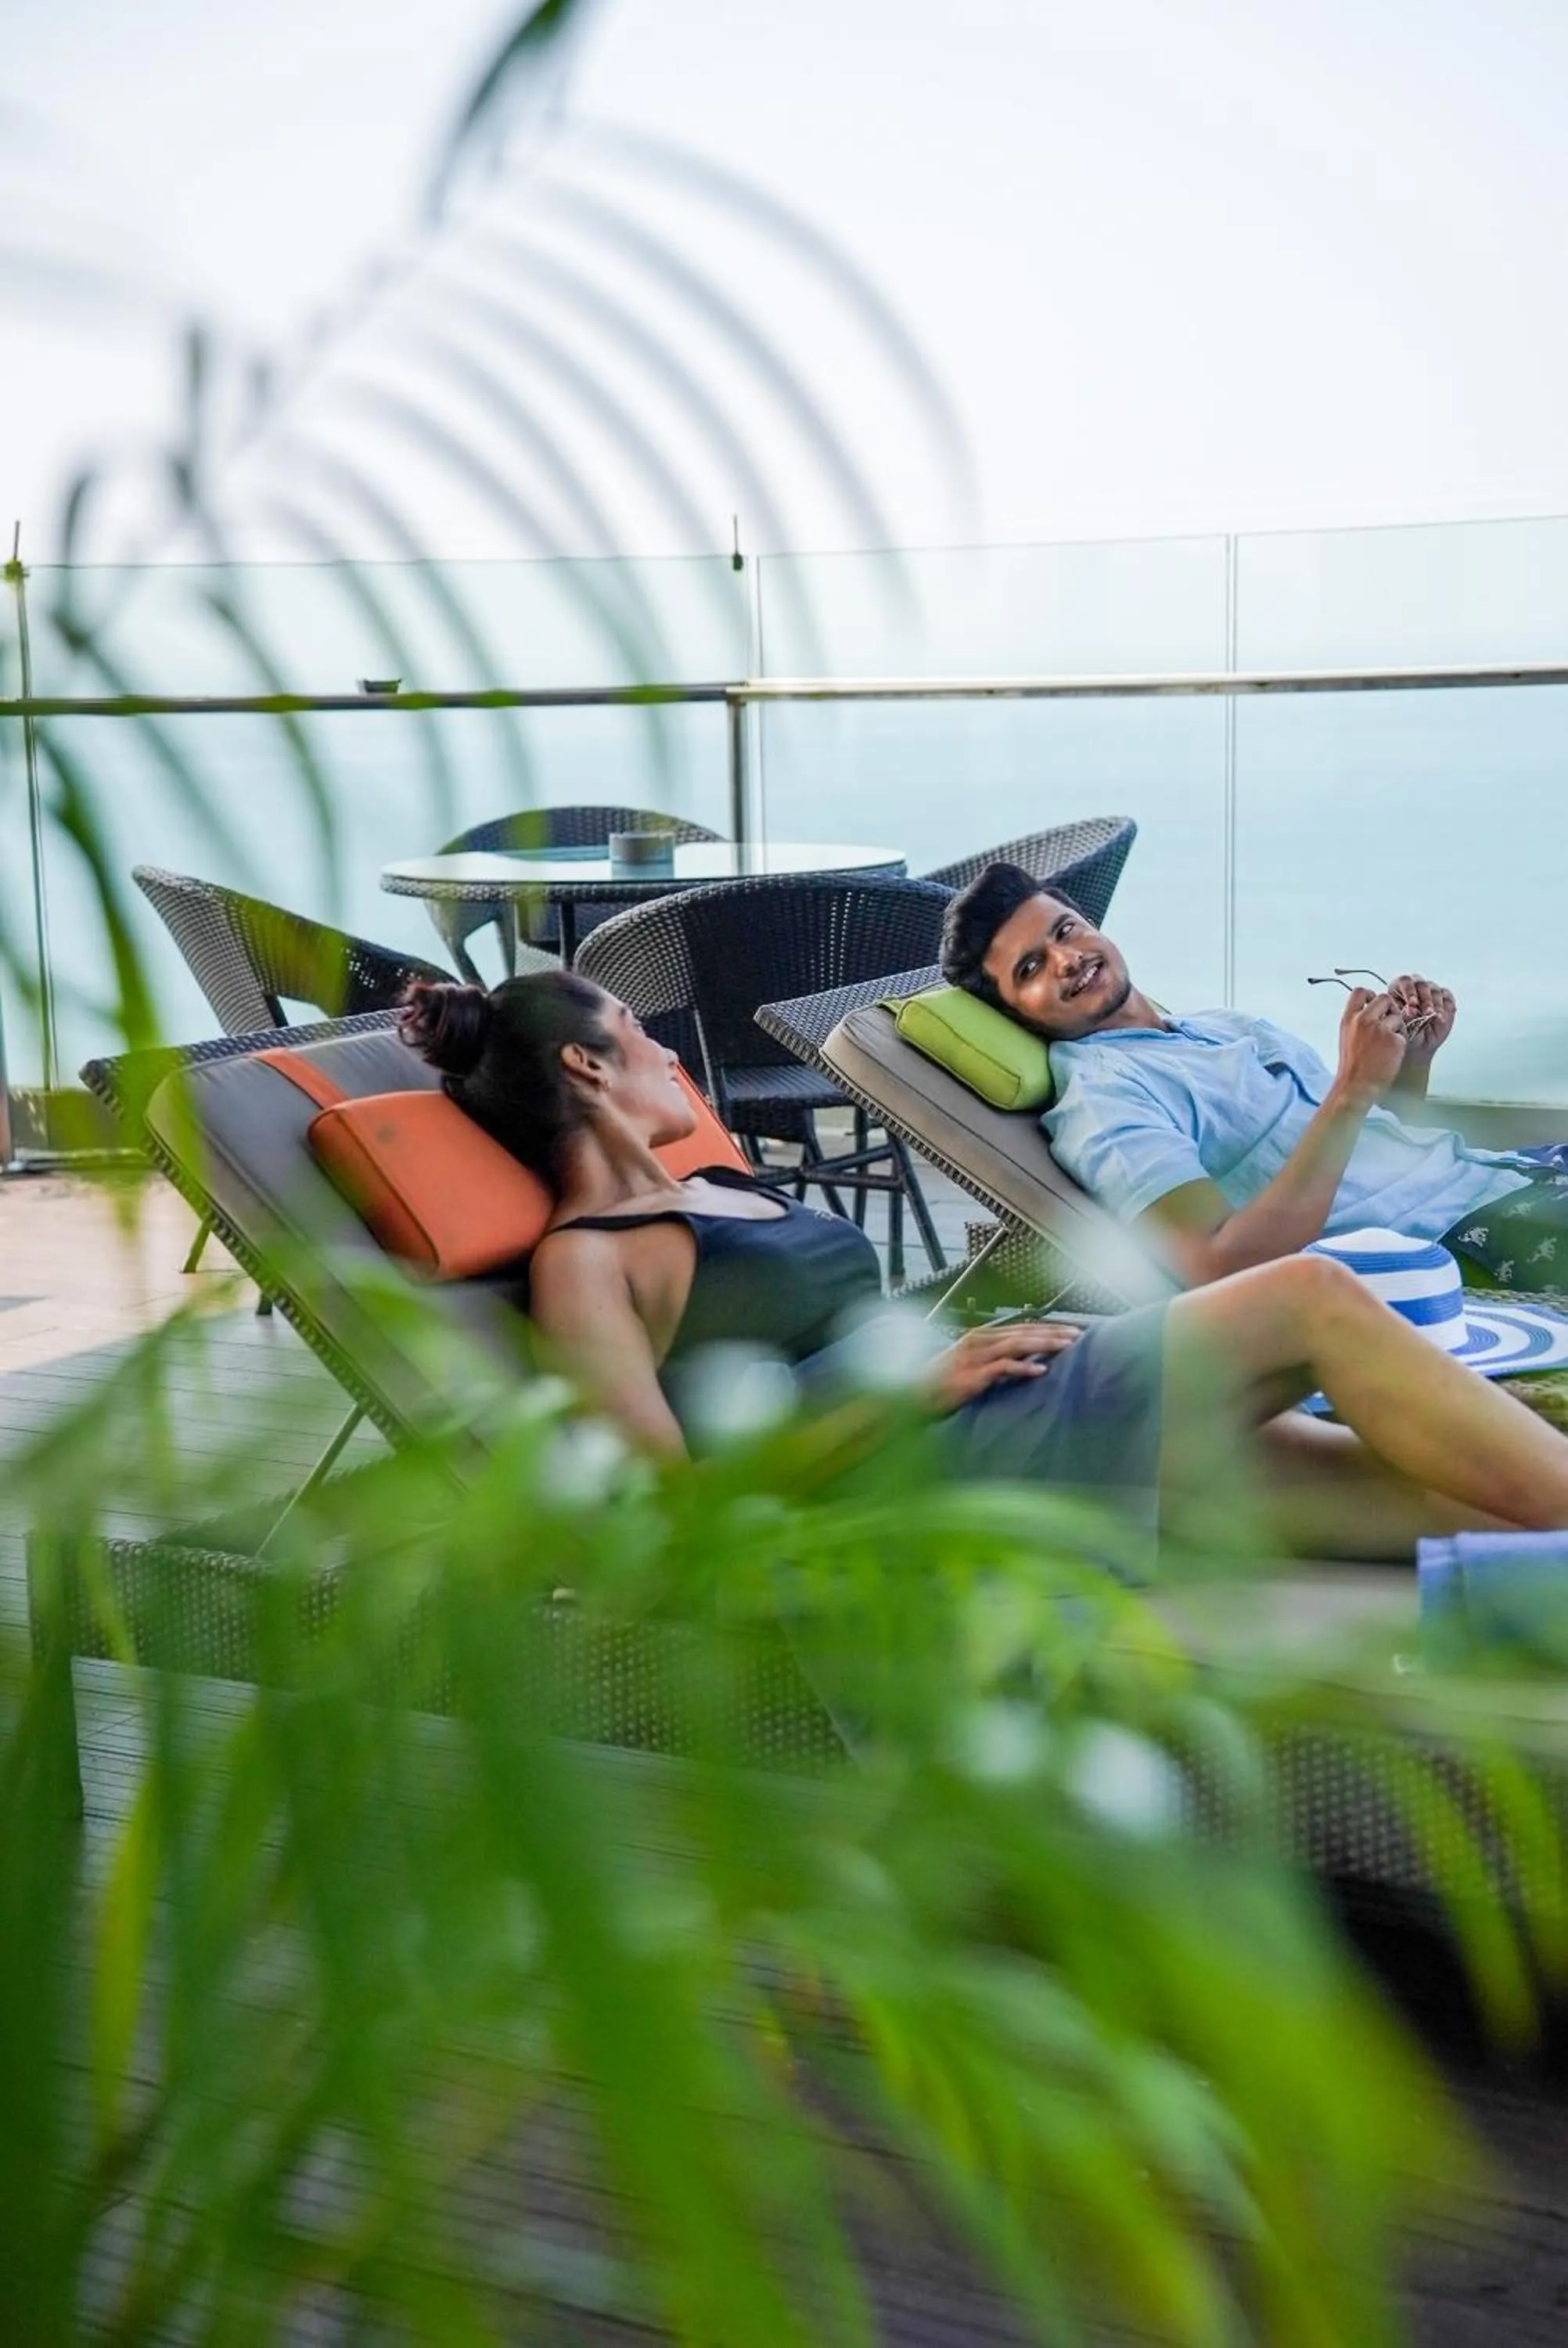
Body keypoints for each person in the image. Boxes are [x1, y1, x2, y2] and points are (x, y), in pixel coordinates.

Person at [397, 969, 1568, 1558]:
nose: (665, 1053)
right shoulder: (583, 1265)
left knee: (1439, 1501)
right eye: (641, 1036)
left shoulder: (716, 1187)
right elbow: (668, 1512)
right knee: (1312, 1294)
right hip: (920, 1463)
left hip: (995, 1403)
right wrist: (902, 1394)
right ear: (589, 1070)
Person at [940, 861, 1568, 1295]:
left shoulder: (1218, 1027)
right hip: (1456, 1247)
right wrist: (1351, 1088)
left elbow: (1369, 1150)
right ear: (1013, 1013)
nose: (1068, 958)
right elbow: (1218, 1265)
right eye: (1032, 967)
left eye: (1065, 930)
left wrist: (1410, 1064)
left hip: (1508, 1180)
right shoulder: (1105, 1102)